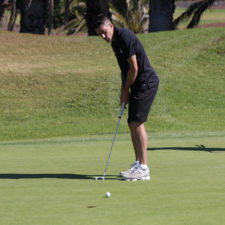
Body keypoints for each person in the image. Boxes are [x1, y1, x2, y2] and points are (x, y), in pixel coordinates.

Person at [94, 16, 159, 181]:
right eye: (99, 34)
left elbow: (134, 68)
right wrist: (124, 90)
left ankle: (144, 168)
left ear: (110, 25)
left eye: (103, 32)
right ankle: (138, 163)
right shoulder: (115, 43)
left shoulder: (124, 36)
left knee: (137, 123)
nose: (103, 37)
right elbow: (125, 70)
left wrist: (125, 90)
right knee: (131, 123)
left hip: (146, 83)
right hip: (137, 85)